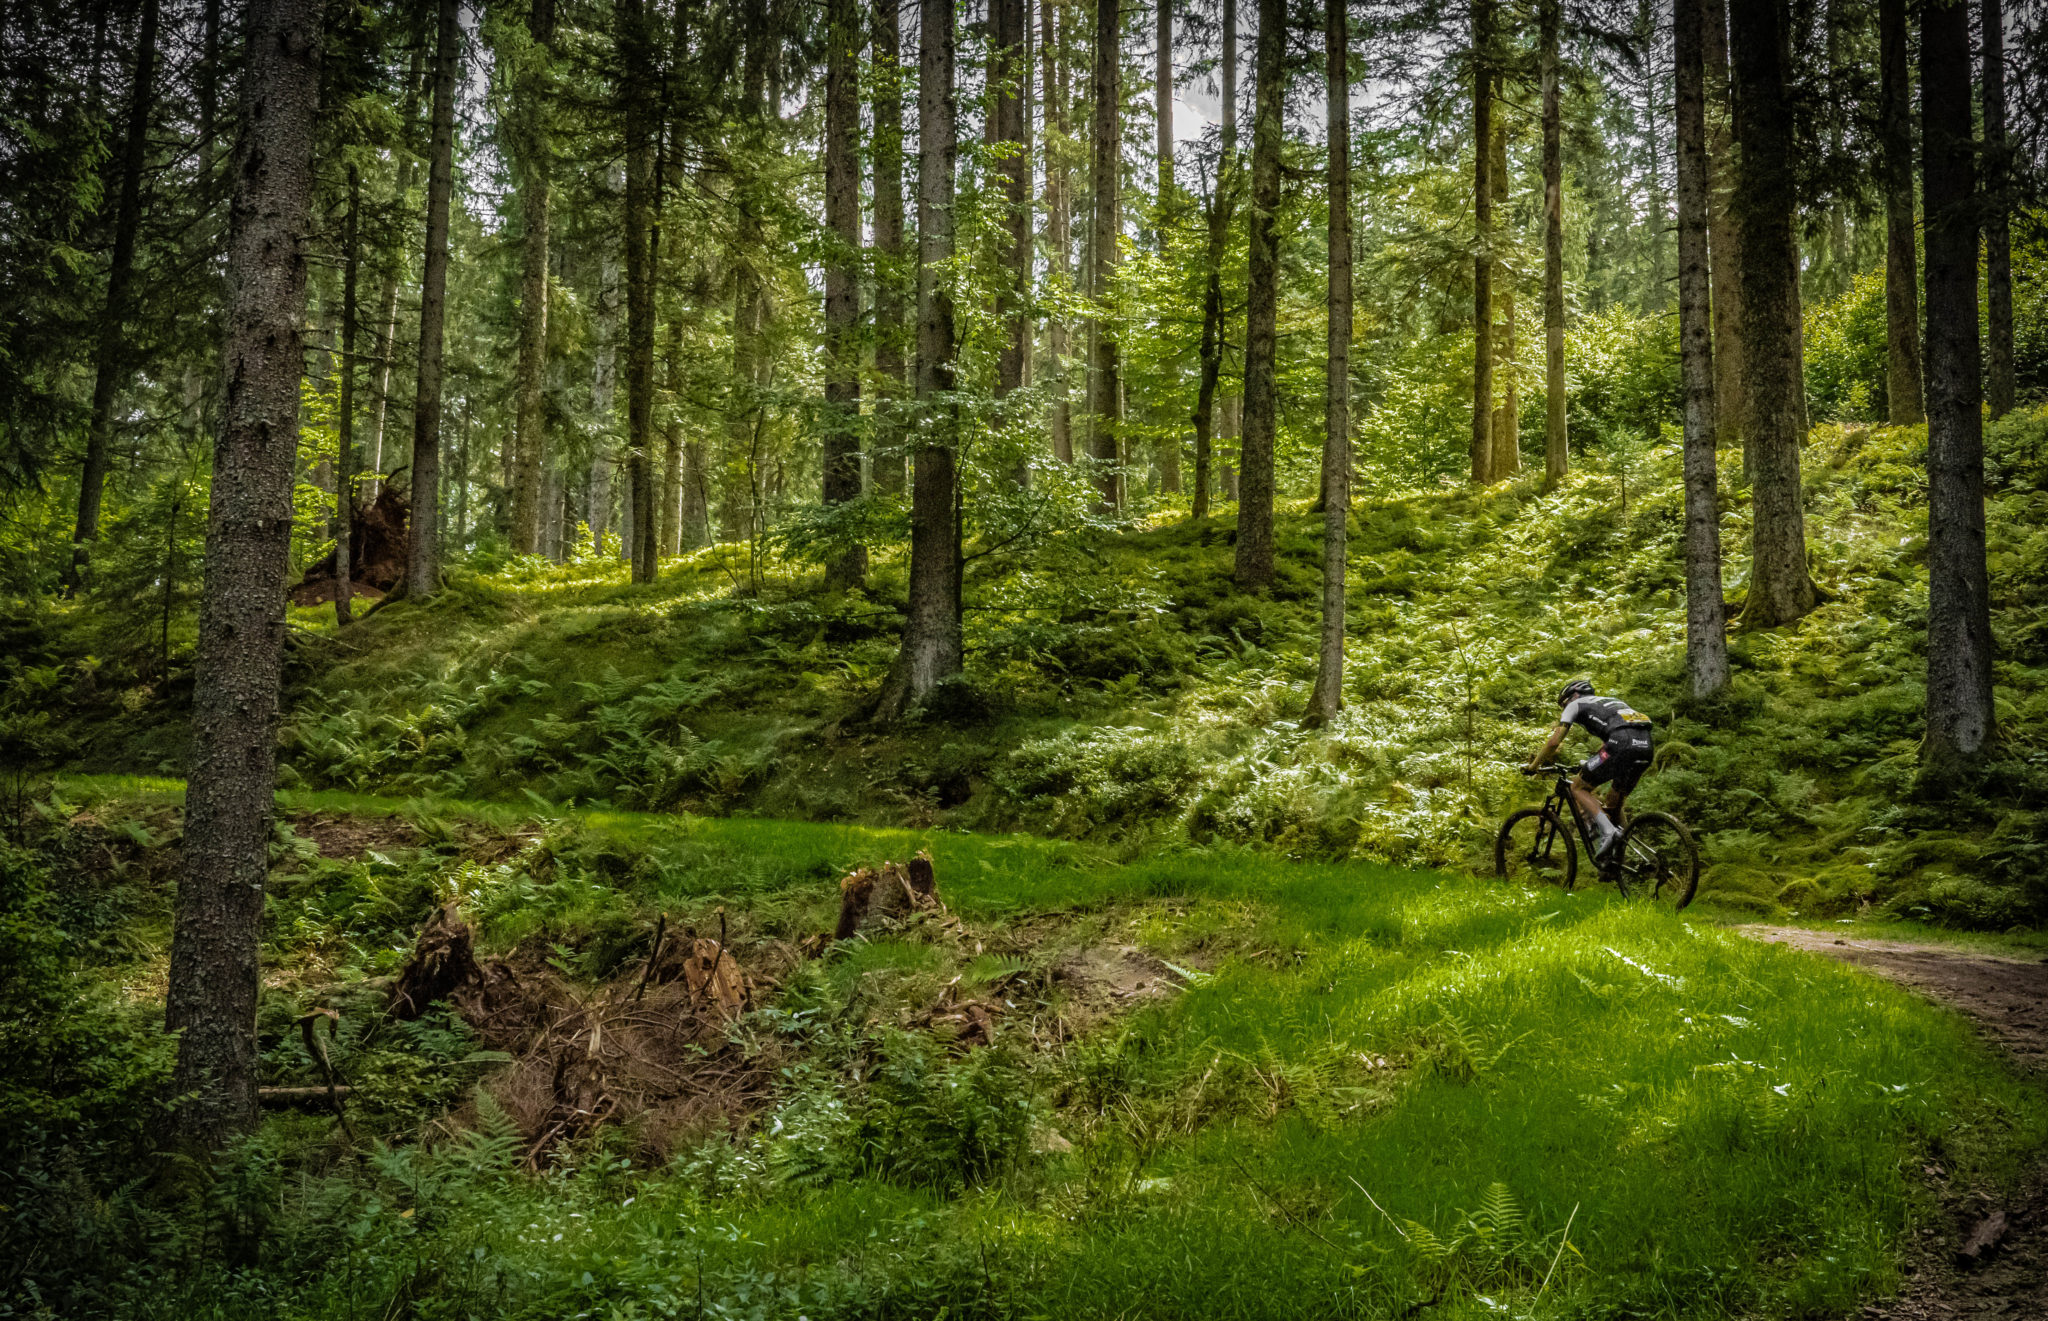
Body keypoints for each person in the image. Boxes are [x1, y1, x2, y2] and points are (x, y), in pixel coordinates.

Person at [1524, 678, 1654, 859]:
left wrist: (1534, 765)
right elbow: (1614, 739)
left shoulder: (1575, 704)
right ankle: (1629, 857)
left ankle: (1608, 831)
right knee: (1614, 805)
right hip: (1646, 746)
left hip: (1621, 743)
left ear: (1573, 696)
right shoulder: (1613, 702)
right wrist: (1593, 762)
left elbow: (1554, 742)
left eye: (1563, 704)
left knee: (1577, 787)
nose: (1564, 708)